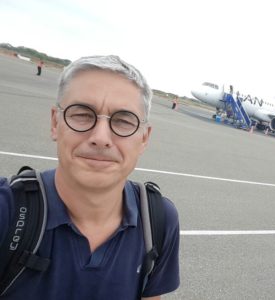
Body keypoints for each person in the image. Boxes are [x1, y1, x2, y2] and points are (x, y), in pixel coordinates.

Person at [0, 55, 180, 299]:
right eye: (82, 114)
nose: (101, 137)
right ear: (56, 122)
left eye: (123, 120)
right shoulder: (7, 212)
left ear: (144, 138)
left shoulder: (158, 222)